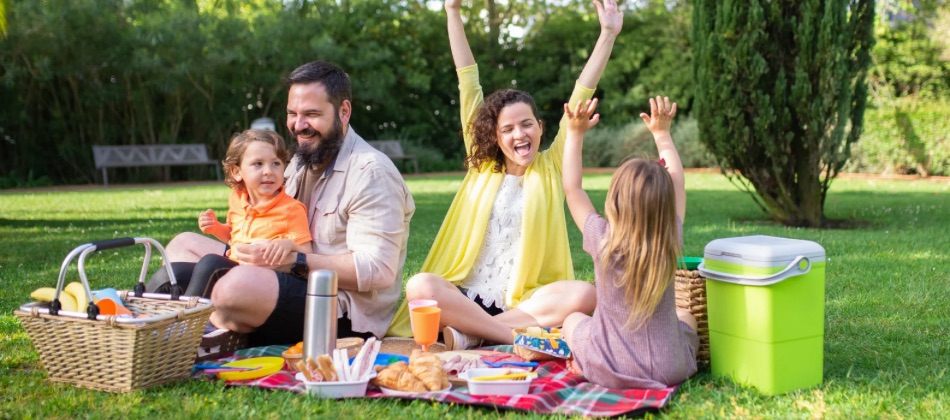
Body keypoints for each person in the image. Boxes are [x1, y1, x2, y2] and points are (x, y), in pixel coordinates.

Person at [385, 0, 624, 350]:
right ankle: (513, 337)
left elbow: (580, 95)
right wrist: (452, 11)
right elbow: (467, 79)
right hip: (463, 294)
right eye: (508, 128)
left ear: (541, 128)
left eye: (527, 124)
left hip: (523, 303)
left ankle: (472, 333)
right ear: (495, 137)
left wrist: (607, 34)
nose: (519, 135)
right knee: (420, 286)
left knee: (585, 294)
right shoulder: (483, 164)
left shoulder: (551, 166)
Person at [150, 61, 416, 347]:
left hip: (338, 310)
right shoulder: (300, 161)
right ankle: (163, 324)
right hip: (278, 273)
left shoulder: (371, 172)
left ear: (343, 111)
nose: (299, 125)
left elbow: (378, 270)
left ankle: (198, 333)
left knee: (233, 288)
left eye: (311, 114)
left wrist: (295, 261)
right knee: (181, 246)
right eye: (292, 114)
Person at [559, 96, 699, 389]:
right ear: (665, 205)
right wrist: (662, 135)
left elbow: (572, 190)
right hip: (668, 368)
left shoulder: (602, 239)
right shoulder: (670, 236)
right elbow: (678, 183)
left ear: (615, 201)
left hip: (608, 365)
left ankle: (583, 364)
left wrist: (574, 134)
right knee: (686, 315)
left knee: (572, 320)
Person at [167, 129, 314, 299]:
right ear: (237, 172)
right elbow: (232, 235)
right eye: (258, 164)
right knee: (175, 270)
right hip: (235, 266)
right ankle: (147, 315)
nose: (268, 171)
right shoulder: (237, 198)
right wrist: (216, 228)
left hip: (262, 279)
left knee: (211, 263)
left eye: (276, 163)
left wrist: (287, 244)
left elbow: (306, 251)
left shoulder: (291, 209)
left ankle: (187, 318)